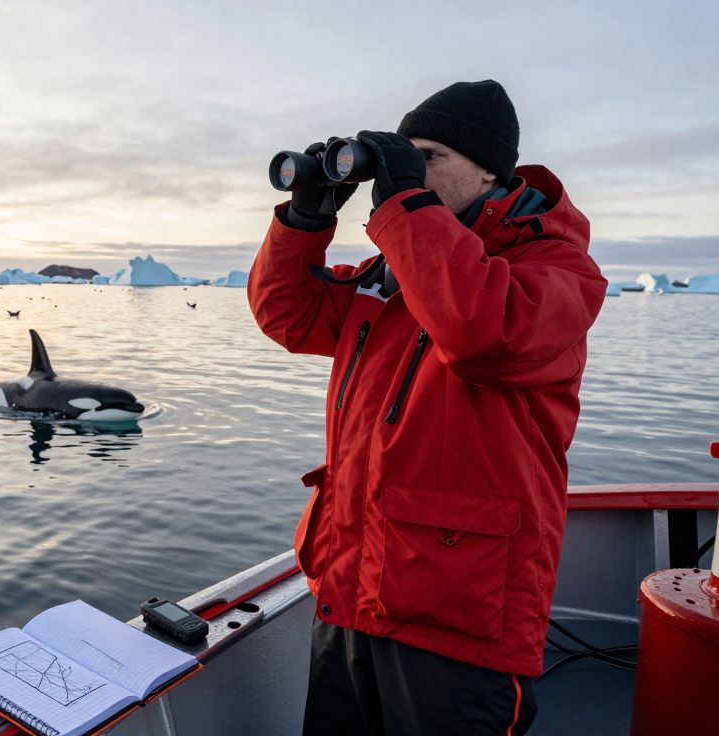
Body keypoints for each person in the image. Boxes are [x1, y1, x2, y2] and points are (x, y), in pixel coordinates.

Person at [247, 80, 607, 735]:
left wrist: (408, 205)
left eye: (430, 156)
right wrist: (306, 219)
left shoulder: (554, 272)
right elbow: (288, 316)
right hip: (355, 583)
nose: (407, 170)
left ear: (490, 172)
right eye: (402, 155)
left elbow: (484, 332)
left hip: (461, 615)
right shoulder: (394, 272)